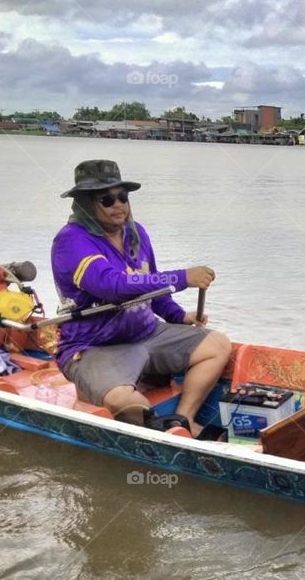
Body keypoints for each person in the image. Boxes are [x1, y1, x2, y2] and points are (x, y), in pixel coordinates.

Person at [51, 159, 231, 433]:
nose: (119, 205)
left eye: (122, 197)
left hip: (146, 333)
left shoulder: (137, 233)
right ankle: (158, 434)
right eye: (107, 200)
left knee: (217, 345)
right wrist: (183, 278)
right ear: (86, 203)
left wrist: (178, 315)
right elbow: (111, 285)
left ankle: (184, 420)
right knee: (124, 401)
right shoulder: (71, 241)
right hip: (94, 346)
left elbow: (150, 286)